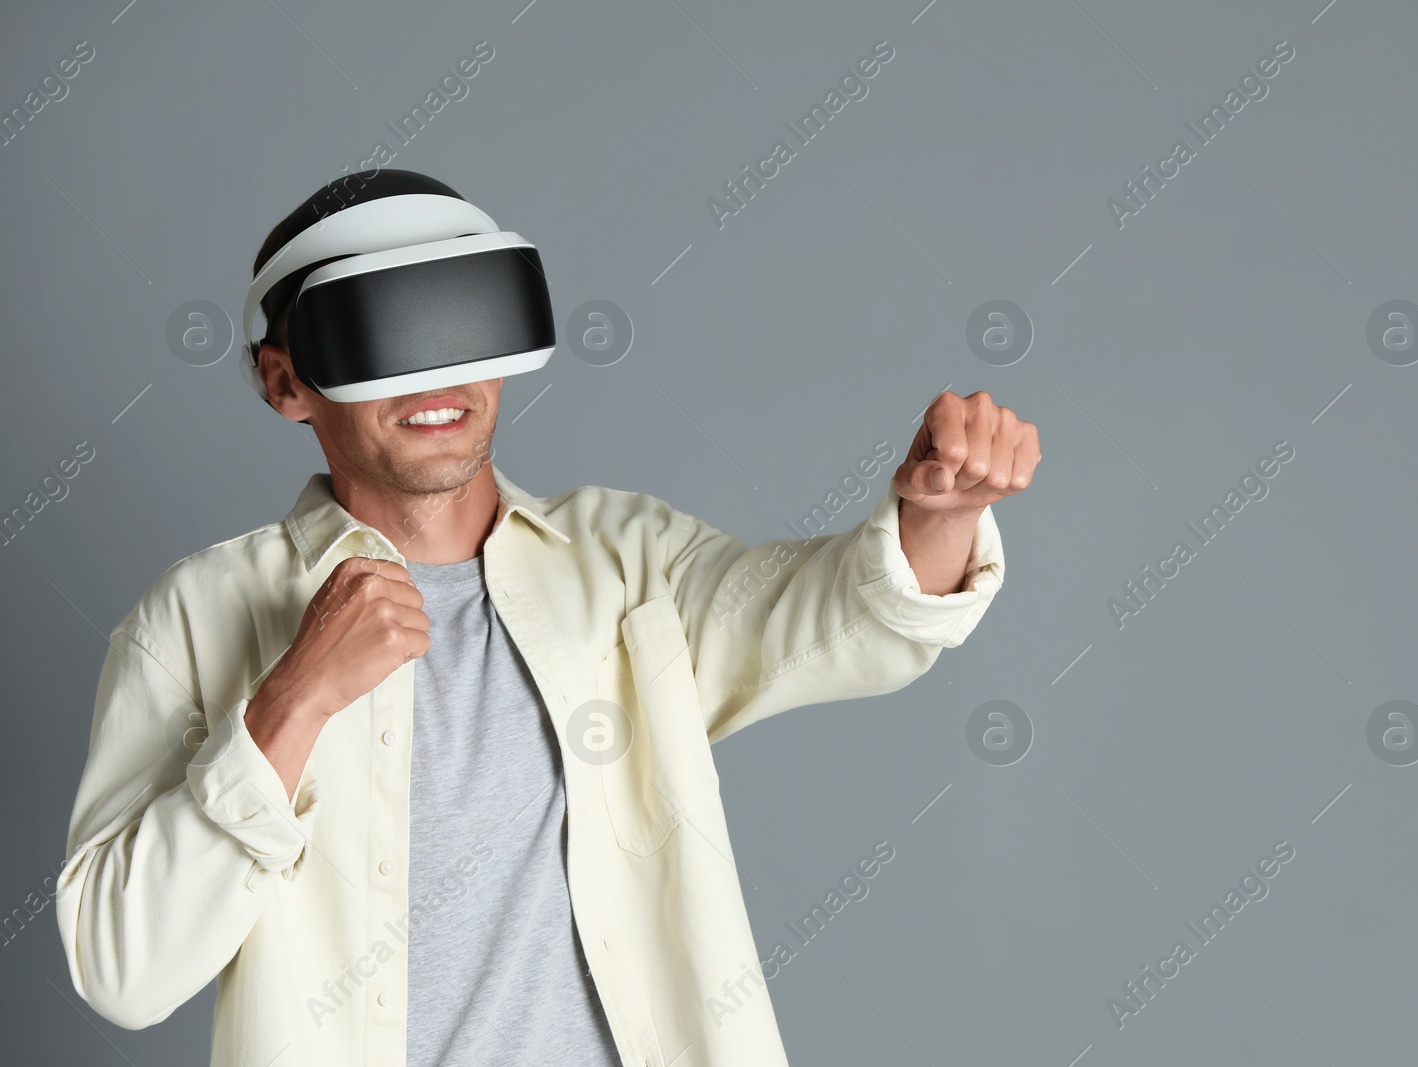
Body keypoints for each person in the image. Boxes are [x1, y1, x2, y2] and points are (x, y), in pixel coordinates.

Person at [55, 170, 1038, 1067]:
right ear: (285, 383)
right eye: (381, 331)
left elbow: (846, 622)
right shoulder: (192, 616)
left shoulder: (629, 559)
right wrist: (290, 702)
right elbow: (123, 969)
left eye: (464, 319)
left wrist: (937, 515)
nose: (437, 374)